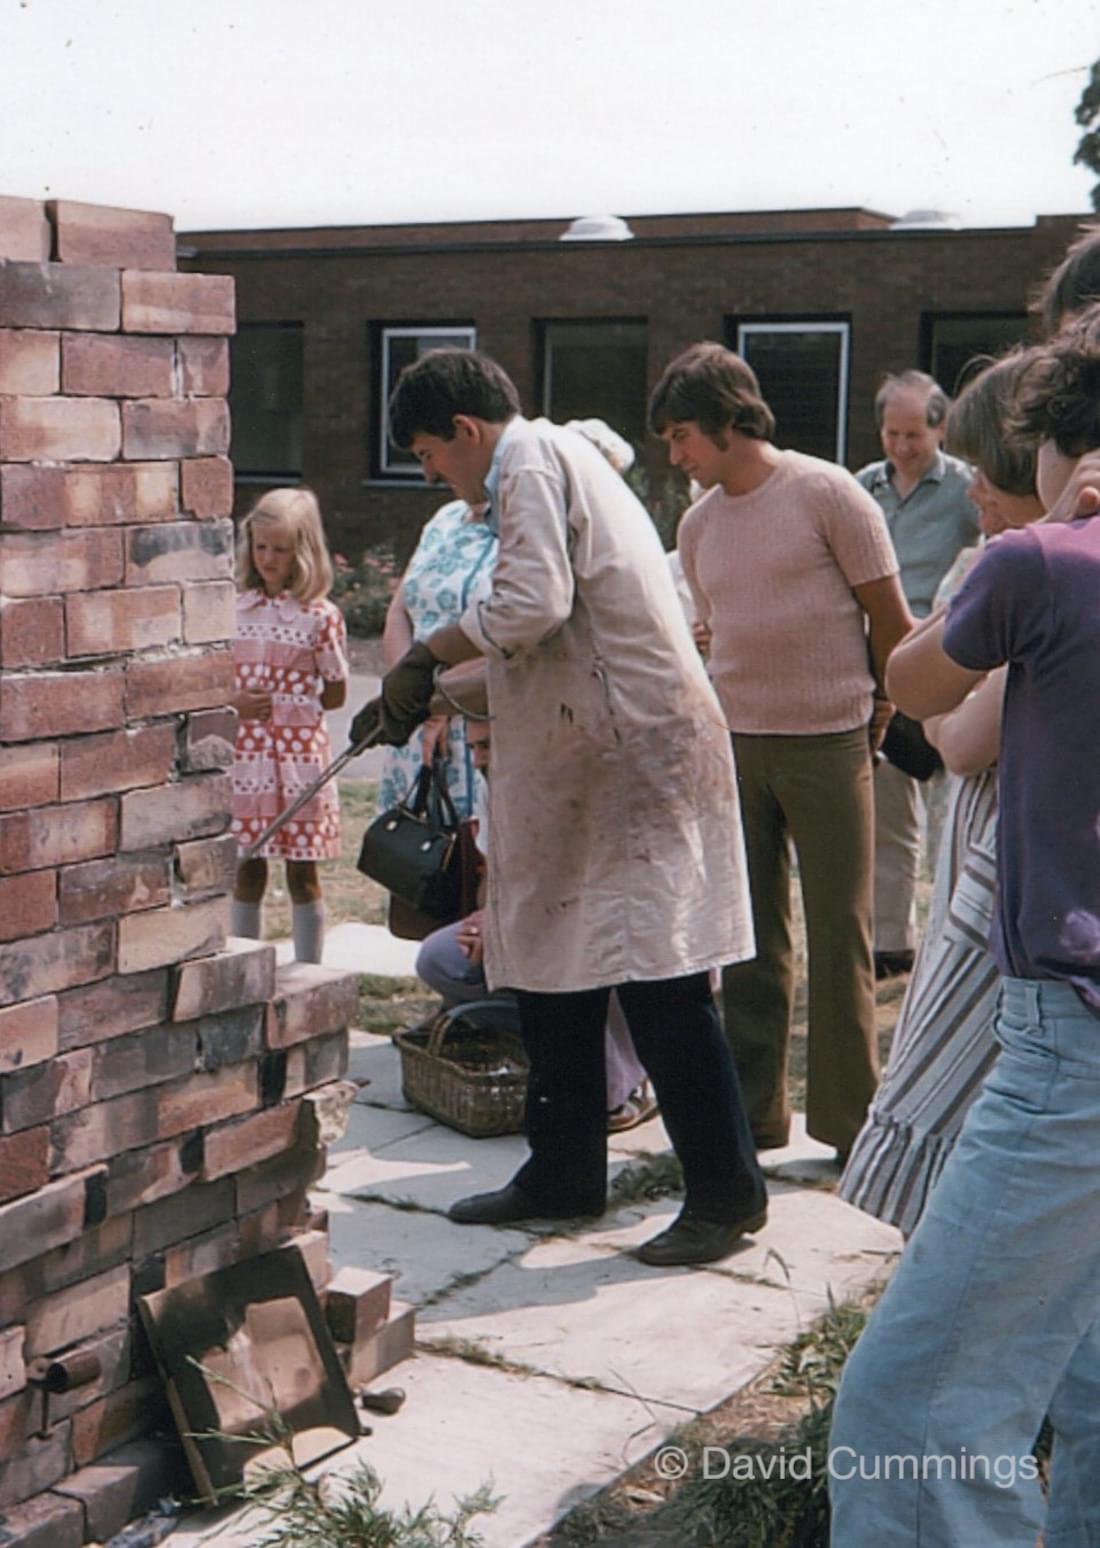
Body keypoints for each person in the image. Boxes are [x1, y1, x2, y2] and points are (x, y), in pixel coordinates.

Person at [351, 347, 766, 1267]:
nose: (433, 476)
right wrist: (434, 692)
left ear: (466, 430)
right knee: (552, 965)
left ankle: (726, 1194)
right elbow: (551, 631)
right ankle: (564, 1170)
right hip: (588, 755)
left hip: (634, 759)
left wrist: (427, 655)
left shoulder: (532, 458)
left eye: (429, 455)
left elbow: (531, 604)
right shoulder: (536, 468)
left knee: (658, 978)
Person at [830, 312, 1100, 1545]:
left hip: (1067, 1033)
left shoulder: (1039, 562)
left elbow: (914, 686)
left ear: (1052, 445)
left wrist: (1044, 536)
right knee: (1081, 1371)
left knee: (911, 1416)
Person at [648, 342, 911, 1162]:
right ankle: (755, 1117)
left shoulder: (828, 493)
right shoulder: (697, 525)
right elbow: (714, 630)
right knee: (749, 941)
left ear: (729, 420)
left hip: (830, 741)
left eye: (683, 436)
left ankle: (849, 1126)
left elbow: (891, 621)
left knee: (841, 936)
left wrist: (880, 713)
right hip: (737, 748)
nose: (676, 456)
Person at [838, 350, 1044, 1236]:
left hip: (1014, 858)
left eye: (987, 473)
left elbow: (955, 736)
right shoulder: (995, 558)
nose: (974, 492)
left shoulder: (1031, 568)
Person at [414, 717, 656, 1132]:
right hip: (534, 922)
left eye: (489, 746)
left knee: (575, 960)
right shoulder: (494, 788)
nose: (479, 759)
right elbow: (494, 876)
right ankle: (520, 1038)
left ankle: (624, 1081)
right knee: (440, 958)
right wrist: (486, 922)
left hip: (614, 932)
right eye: (473, 748)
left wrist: (509, 929)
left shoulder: (570, 781)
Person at [855, 370, 979, 978]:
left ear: (940, 430)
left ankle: (956, 936)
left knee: (956, 806)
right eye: (892, 433)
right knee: (889, 806)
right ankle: (892, 941)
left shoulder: (966, 490)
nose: (901, 447)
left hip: (950, 658)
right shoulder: (862, 488)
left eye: (914, 435)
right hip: (881, 661)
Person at [230, 488, 348, 964]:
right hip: (246, 759)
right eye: (260, 547)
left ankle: (309, 971)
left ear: (303, 551)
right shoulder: (235, 609)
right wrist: (237, 703)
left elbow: (336, 691)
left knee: (302, 872)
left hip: (300, 760)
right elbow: (213, 680)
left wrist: (292, 706)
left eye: (280, 549)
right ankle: (244, 967)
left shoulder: (320, 617)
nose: (268, 559)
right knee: (246, 865)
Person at [377, 497, 497, 822]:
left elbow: (512, 627)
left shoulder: (521, 524)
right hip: (416, 716)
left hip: (475, 718)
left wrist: (440, 701)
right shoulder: (446, 517)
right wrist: (408, 691)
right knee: (409, 838)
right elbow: (400, 610)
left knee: (472, 841)